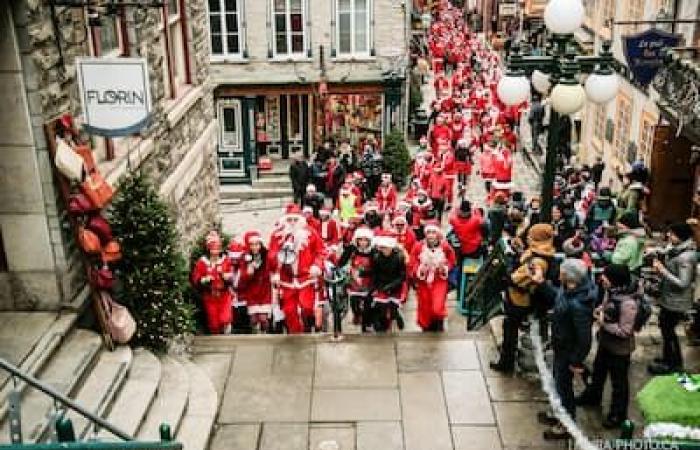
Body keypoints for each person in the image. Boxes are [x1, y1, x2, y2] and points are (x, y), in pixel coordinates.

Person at [534, 258, 596, 440]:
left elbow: (584, 338)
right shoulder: (569, 289)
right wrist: (541, 283)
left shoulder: (579, 304)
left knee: (564, 387)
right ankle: (558, 413)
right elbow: (557, 298)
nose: (558, 274)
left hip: (568, 352)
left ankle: (566, 424)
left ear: (570, 277)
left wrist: (576, 360)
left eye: (562, 272)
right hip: (560, 345)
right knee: (557, 382)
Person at [576, 264, 637, 429]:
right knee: (598, 372)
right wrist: (600, 310)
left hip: (619, 350)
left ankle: (618, 414)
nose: (602, 278)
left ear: (615, 280)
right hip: (605, 343)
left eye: (605, 276)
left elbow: (625, 331)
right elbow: (606, 305)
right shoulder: (612, 292)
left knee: (619, 383)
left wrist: (603, 323)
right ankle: (592, 396)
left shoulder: (628, 303)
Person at [491, 224, 556, 373]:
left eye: (531, 235)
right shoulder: (541, 252)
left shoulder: (538, 261)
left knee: (510, 330)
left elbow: (516, 279)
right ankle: (507, 358)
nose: (527, 237)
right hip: (520, 298)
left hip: (519, 300)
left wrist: (504, 271)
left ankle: (506, 362)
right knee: (510, 328)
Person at [648, 222, 698, 374]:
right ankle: (668, 359)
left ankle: (673, 364)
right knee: (665, 329)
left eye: (672, 234)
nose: (669, 236)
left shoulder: (686, 257)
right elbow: (666, 250)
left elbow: (683, 283)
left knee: (669, 332)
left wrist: (662, 271)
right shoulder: (677, 249)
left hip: (676, 302)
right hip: (669, 298)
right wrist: (656, 251)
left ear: (681, 237)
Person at [268, 204, 326, 333]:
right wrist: (276, 272)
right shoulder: (277, 236)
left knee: (307, 308)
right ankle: (296, 335)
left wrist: (316, 265)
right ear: (285, 220)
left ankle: (308, 328)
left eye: (295, 220)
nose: (293, 223)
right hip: (286, 280)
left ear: (300, 220)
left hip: (306, 278)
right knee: (289, 311)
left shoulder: (310, 233)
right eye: (289, 220)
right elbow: (271, 256)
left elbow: (321, 251)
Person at [410, 221, 456, 331]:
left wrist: (444, 268)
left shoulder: (445, 246)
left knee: (437, 306)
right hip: (424, 281)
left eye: (433, 232)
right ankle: (427, 327)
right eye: (428, 232)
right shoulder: (418, 246)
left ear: (438, 234)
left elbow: (452, 260)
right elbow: (412, 262)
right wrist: (420, 269)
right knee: (425, 307)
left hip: (439, 280)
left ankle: (439, 323)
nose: (430, 235)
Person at [191, 231, 234, 334]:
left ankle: (227, 335)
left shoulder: (225, 260)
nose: (215, 251)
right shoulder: (202, 262)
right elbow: (196, 277)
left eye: (217, 248)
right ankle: (217, 340)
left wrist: (226, 276)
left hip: (224, 295)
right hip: (210, 296)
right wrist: (203, 279)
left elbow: (231, 275)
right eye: (212, 248)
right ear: (208, 249)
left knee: (225, 318)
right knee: (213, 323)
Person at [337, 226, 375, 331]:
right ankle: (357, 314)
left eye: (365, 240)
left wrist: (365, 273)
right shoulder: (352, 249)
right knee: (354, 304)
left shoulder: (373, 252)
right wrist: (342, 268)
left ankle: (366, 323)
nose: (363, 242)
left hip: (369, 282)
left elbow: (377, 268)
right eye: (360, 240)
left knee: (368, 306)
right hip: (354, 281)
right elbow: (341, 262)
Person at [237, 231, 273, 333]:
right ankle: (256, 335)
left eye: (256, 244)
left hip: (264, 290)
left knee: (263, 318)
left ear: (260, 244)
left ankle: (265, 334)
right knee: (253, 319)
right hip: (252, 291)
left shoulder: (267, 255)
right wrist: (249, 273)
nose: (254, 247)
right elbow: (242, 279)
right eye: (251, 245)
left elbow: (273, 267)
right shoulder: (245, 258)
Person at [371, 230, 407, 332]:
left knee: (392, 310)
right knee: (381, 310)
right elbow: (375, 274)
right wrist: (374, 288)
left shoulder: (399, 258)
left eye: (386, 247)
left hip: (396, 286)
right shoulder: (377, 258)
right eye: (382, 248)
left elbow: (402, 277)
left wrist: (391, 286)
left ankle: (396, 316)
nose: (384, 250)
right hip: (382, 286)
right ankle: (383, 327)